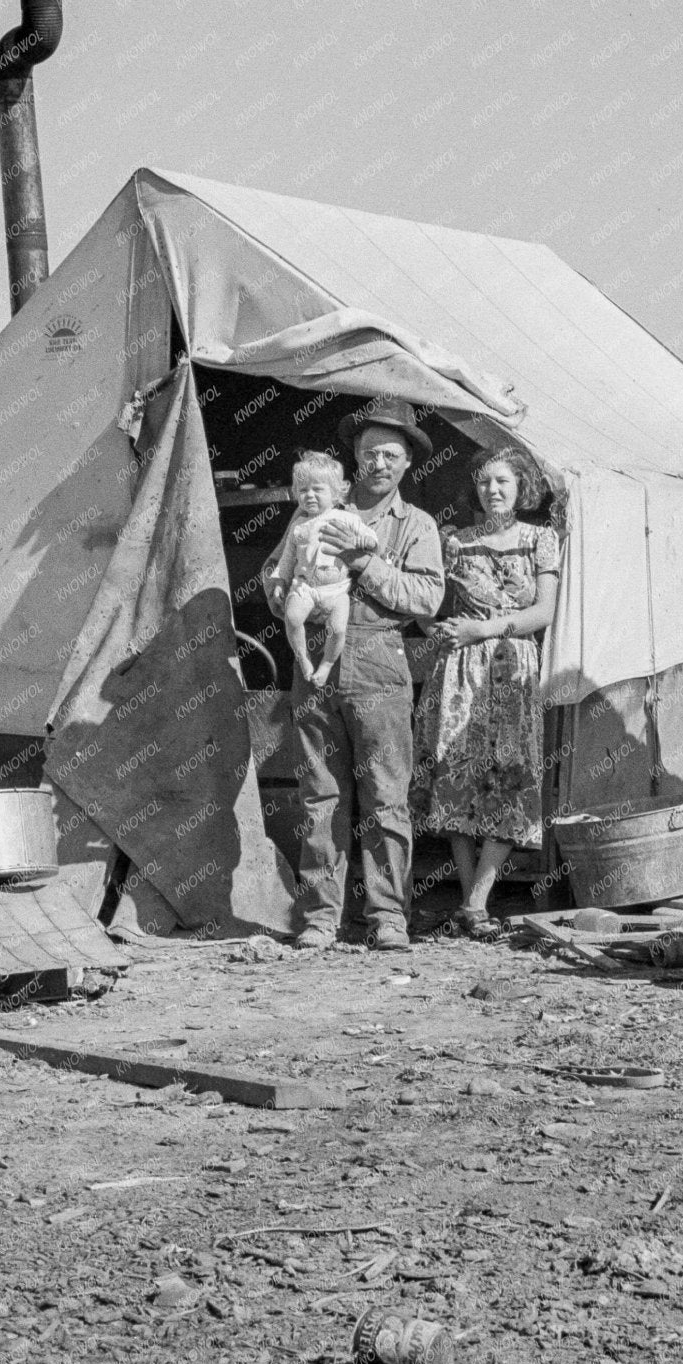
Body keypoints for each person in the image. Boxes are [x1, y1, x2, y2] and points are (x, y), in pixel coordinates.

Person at [262, 399, 444, 952]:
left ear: (409, 460)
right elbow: (275, 569)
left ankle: (387, 916)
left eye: (391, 454)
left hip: (378, 664)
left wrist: (363, 563)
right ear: (354, 459)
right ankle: (320, 917)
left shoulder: (416, 525)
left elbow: (428, 601)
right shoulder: (311, 511)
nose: (379, 464)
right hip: (315, 664)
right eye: (369, 453)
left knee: (386, 796)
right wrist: (279, 591)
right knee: (320, 796)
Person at [412, 445, 561, 937]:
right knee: (455, 775)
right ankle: (468, 903)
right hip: (459, 669)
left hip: (512, 667)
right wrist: (438, 629)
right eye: (482, 482)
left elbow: (543, 613)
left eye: (502, 481)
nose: (491, 491)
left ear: (521, 488)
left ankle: (477, 900)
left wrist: (488, 630)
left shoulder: (540, 539)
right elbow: (425, 596)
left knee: (507, 777)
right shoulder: (454, 542)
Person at [270, 452, 353, 688]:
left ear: (336, 494)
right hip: (305, 586)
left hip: (336, 590)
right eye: (304, 490)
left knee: (338, 629)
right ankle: (303, 657)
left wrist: (367, 543)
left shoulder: (344, 519)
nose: (310, 495)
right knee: (293, 617)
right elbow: (287, 558)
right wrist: (280, 581)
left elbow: (368, 538)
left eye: (318, 489)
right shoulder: (298, 525)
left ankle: (327, 664)